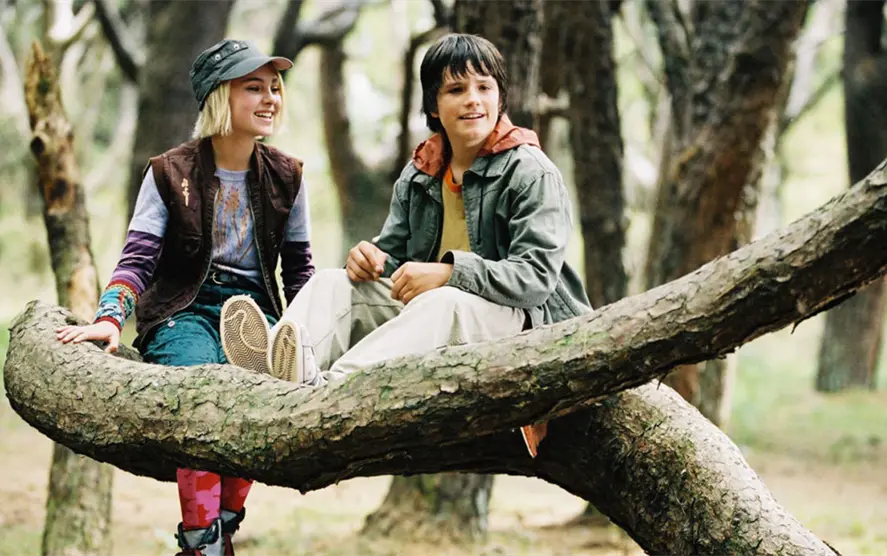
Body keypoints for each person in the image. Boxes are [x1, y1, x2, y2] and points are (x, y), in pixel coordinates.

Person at [222, 33, 593, 457]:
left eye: (484, 87)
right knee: (332, 282)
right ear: (434, 105)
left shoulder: (530, 172)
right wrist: (369, 259)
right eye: (456, 89)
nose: (473, 100)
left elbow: (535, 280)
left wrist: (450, 273)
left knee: (444, 301)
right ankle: (271, 374)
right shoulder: (421, 172)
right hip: (436, 318)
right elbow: (394, 256)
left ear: (499, 98)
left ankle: (330, 396)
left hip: (523, 322)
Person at [56, 39, 315, 556]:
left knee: (256, 404)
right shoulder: (168, 171)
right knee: (200, 401)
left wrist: (311, 335)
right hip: (183, 310)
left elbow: (300, 272)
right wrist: (110, 318)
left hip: (255, 312)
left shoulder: (289, 175)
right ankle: (204, 543)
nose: (270, 98)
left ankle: (216, 535)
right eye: (254, 87)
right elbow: (138, 259)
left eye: (274, 87)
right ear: (220, 96)